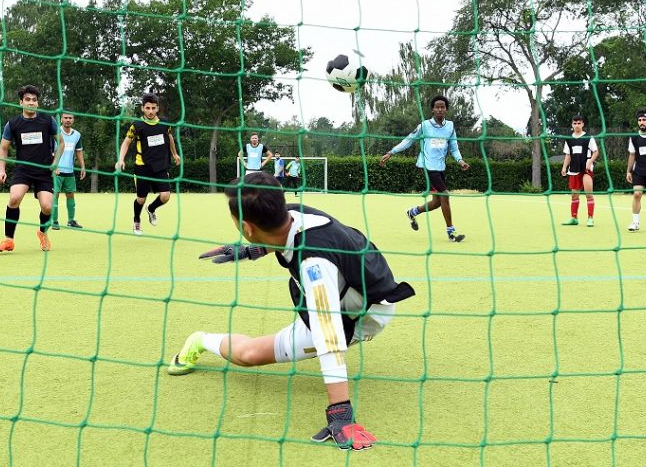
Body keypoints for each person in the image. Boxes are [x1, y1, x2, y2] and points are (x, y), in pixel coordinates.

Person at [167, 171, 415, 451]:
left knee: (248, 354)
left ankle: (200, 339)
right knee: (262, 349)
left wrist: (341, 413)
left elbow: (328, 335)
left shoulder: (314, 265)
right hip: (370, 295)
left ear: (246, 227)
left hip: (361, 319)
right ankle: (199, 341)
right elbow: (287, 237)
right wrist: (251, 251)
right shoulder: (293, 213)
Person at [379, 94, 470, 242]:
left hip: (440, 167)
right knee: (445, 195)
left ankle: (412, 212)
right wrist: (391, 152)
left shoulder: (450, 126)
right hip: (427, 166)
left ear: (446, 109)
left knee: (437, 202)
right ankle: (451, 233)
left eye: (442, 107)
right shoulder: (424, 126)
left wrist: (460, 161)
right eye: (437, 107)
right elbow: (409, 140)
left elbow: (454, 148)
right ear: (432, 110)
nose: (440, 109)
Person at [0, 85, 64, 252]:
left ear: (37, 103)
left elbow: (61, 143)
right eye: (27, 100)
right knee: (14, 198)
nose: (31, 103)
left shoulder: (48, 121)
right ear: (21, 102)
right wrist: (2, 170)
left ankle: (42, 233)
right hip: (23, 170)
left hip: (44, 171)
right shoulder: (13, 124)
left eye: (34, 100)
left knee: (47, 207)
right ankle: (8, 240)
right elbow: (3, 147)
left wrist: (55, 163)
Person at [115, 93, 181, 236]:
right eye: (147, 108)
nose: (150, 111)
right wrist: (121, 159)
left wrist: (175, 154)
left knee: (165, 196)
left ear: (157, 108)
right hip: (142, 167)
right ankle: (136, 220)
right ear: (142, 108)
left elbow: (169, 138)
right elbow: (126, 143)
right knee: (141, 199)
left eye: (153, 108)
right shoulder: (136, 125)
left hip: (160, 166)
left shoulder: (164, 123)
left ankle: (151, 209)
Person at [560, 115, 599, 227]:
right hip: (574, 169)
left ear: (582, 124)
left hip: (586, 169)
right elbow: (568, 155)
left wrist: (590, 162)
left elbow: (596, 152)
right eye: (575, 123)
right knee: (574, 196)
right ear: (572, 125)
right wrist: (564, 167)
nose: (577, 125)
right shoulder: (569, 139)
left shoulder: (588, 138)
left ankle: (590, 218)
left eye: (579, 123)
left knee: (588, 194)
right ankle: (574, 218)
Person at [51, 112, 86, 230]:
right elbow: (50, 150)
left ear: (73, 119)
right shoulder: (55, 133)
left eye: (70, 118)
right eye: (65, 118)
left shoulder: (77, 135)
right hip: (56, 171)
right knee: (55, 195)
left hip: (69, 171)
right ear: (61, 119)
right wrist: (54, 166)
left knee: (70, 195)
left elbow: (79, 151)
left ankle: (71, 221)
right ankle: (54, 221)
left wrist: (82, 167)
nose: (68, 120)